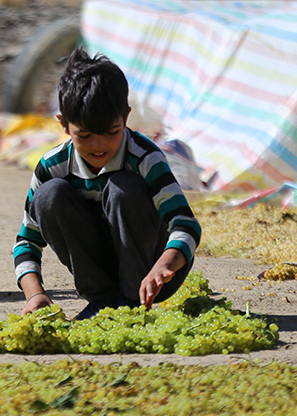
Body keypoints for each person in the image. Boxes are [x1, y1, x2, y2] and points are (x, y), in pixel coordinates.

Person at [13, 47, 201, 320]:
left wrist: (163, 266)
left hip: (153, 273)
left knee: (123, 186)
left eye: (112, 132)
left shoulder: (145, 157)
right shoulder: (52, 166)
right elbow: (26, 242)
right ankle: (102, 300)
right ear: (64, 124)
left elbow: (186, 224)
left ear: (126, 117)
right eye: (85, 135)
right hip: (100, 268)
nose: (98, 146)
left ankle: (129, 302)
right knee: (49, 195)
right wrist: (35, 294)